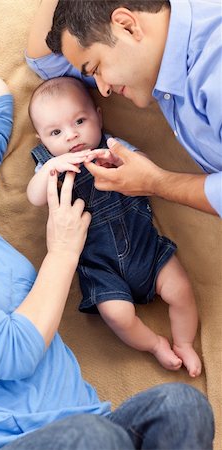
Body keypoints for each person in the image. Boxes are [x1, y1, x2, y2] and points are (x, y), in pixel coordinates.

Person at [0, 77, 214, 450]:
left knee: (181, 407)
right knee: (92, 437)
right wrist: (62, 251)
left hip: (86, 423)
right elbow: (12, 355)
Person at [27, 75, 202, 377]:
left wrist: (119, 160)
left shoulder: (114, 147)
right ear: (42, 141)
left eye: (80, 121)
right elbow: (34, 197)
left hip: (146, 250)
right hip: (100, 267)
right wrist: (51, 170)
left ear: (98, 115)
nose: (71, 136)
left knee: (181, 290)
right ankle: (154, 344)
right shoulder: (49, 168)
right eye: (55, 132)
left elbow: (145, 168)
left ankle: (184, 342)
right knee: (117, 315)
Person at [25, 0, 222, 217]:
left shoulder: (214, 69)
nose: (103, 90)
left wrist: (156, 182)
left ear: (127, 26)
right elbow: (45, 62)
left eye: (96, 68)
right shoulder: (152, 54)